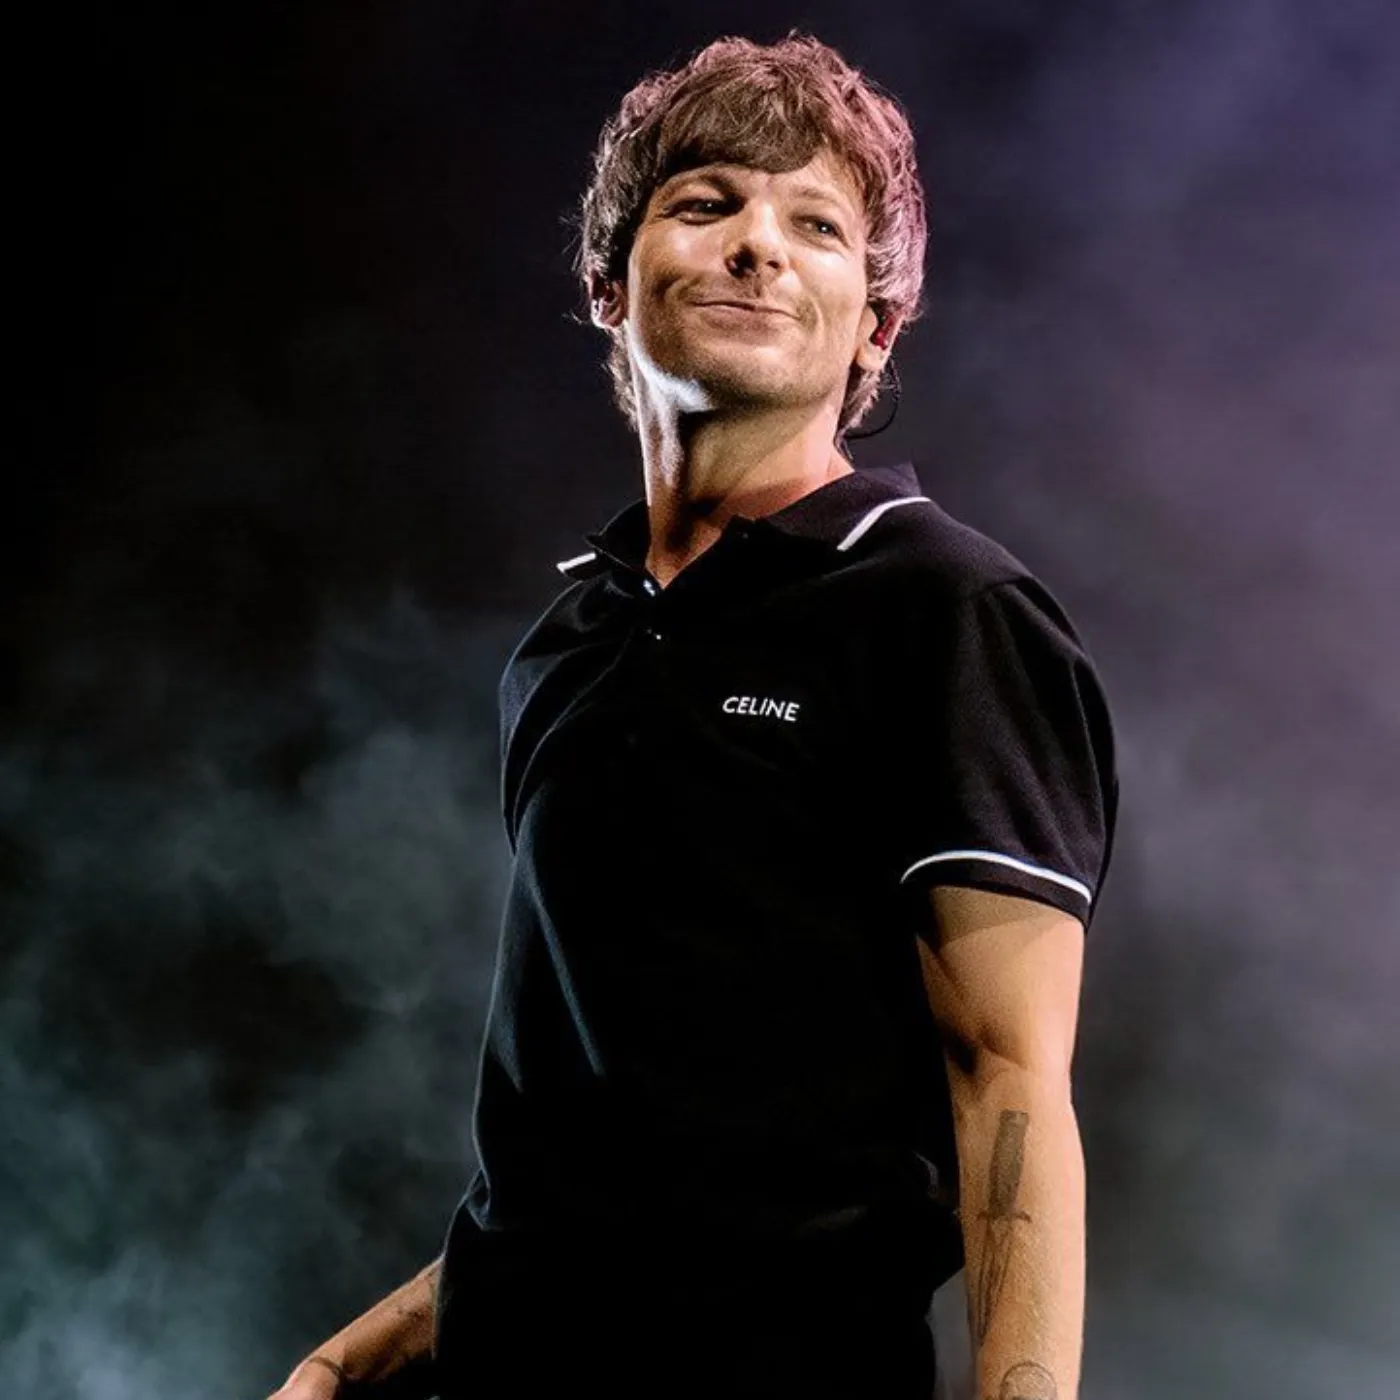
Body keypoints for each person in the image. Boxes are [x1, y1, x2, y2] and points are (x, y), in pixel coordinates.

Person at [267, 31, 1117, 1400]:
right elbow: (585, 1163)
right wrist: (339, 1363)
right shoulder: (568, 647)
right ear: (610, 286)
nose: (758, 246)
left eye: (816, 224)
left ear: (875, 325)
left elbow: (1009, 1081)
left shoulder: (946, 610)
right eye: (707, 203)